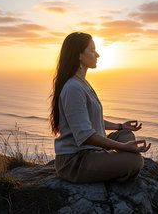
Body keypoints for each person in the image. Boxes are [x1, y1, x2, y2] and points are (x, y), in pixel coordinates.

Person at [49, 32, 151, 183]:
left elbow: (91, 119)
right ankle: (113, 171)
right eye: (92, 50)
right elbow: (86, 136)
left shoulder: (82, 83)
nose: (97, 55)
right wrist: (124, 148)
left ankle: (111, 163)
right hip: (76, 161)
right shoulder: (73, 88)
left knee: (126, 134)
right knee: (135, 162)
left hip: (90, 151)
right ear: (79, 55)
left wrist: (121, 126)